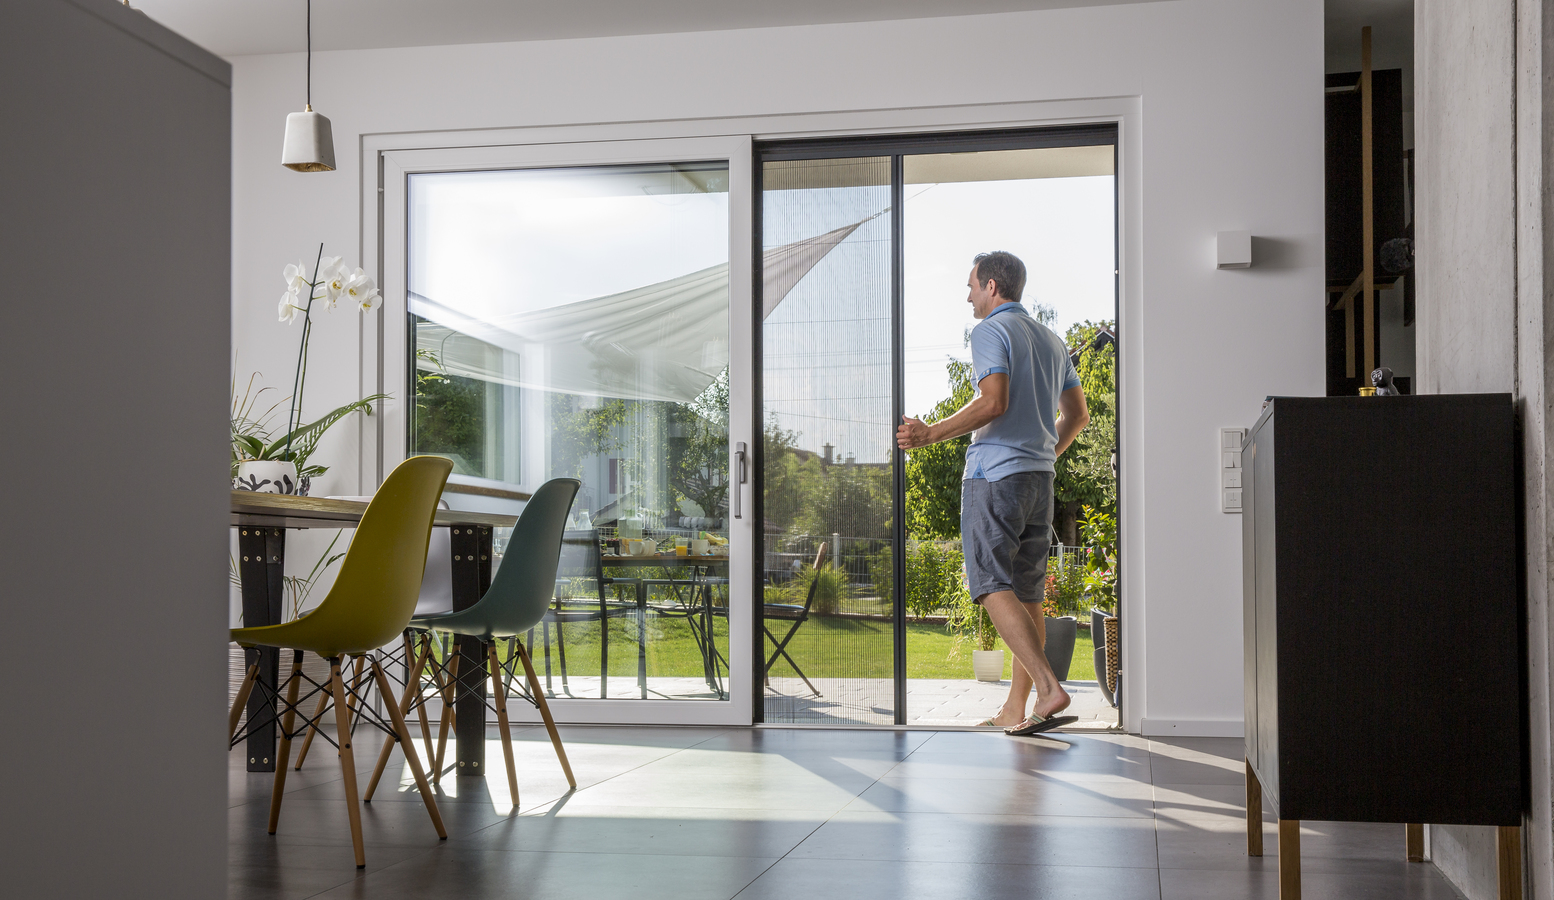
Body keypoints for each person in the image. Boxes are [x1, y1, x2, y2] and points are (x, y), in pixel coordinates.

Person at [896, 250, 1090, 736]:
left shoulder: (989, 331)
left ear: (991, 287)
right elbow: (1078, 416)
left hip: (995, 476)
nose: (968, 295)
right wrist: (1043, 454)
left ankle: (1049, 688)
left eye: (971, 286)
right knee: (1027, 595)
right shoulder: (1052, 339)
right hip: (1038, 480)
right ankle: (1016, 708)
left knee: (987, 583)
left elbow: (993, 401)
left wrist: (930, 434)